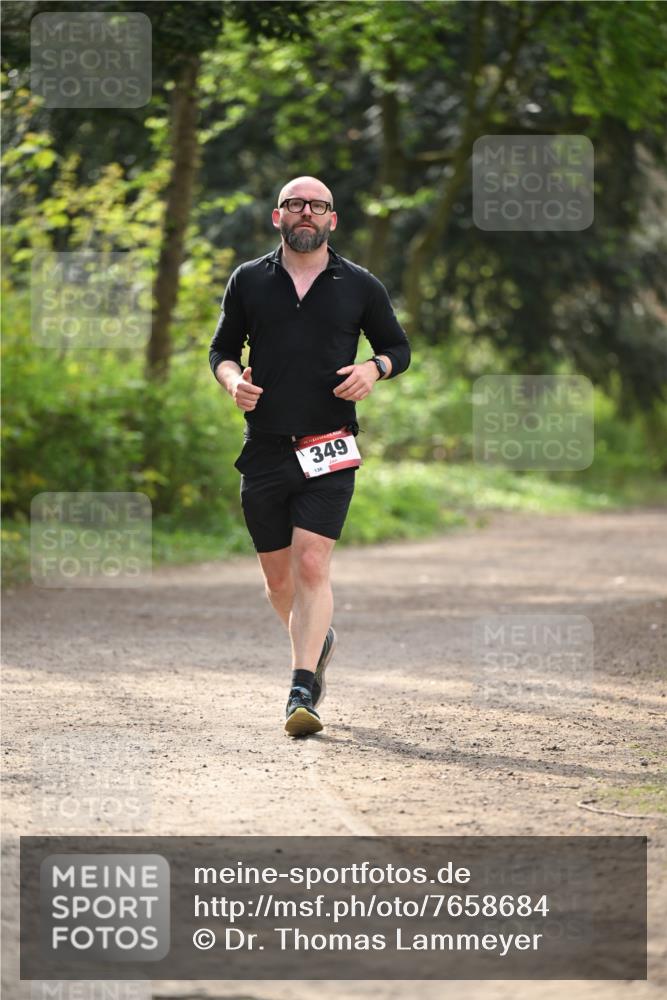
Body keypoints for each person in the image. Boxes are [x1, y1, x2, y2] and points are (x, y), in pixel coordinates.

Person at [209, 176, 410, 737]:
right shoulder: (248, 280)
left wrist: (374, 369)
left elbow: (398, 347)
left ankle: (302, 688)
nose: (305, 214)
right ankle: (318, 640)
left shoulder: (359, 285)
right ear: (278, 217)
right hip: (265, 448)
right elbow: (222, 350)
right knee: (278, 584)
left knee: (313, 563)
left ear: (332, 220)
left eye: (317, 206)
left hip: (329, 446)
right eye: (294, 205)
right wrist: (231, 382)